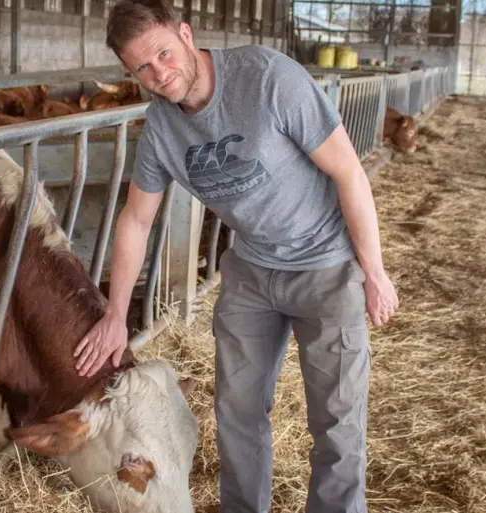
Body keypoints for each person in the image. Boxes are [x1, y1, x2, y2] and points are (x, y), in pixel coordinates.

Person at [73, 0, 399, 511]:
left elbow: (349, 171)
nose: (160, 72)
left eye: (164, 53)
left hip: (326, 265)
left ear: (185, 33)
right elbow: (136, 220)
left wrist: (374, 272)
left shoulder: (267, 79)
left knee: (337, 421)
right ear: (128, 71)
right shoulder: (161, 127)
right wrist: (115, 313)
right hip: (250, 271)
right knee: (238, 414)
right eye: (143, 67)